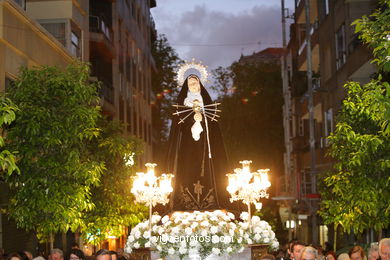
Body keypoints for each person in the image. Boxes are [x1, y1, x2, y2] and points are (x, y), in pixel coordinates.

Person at [165, 74, 231, 212]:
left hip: (205, 146)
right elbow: (178, 128)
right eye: (191, 84)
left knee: (207, 169)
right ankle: (184, 203)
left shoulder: (206, 102)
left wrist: (202, 118)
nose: (194, 85)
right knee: (188, 168)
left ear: (200, 84)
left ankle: (212, 202)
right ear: (187, 87)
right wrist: (192, 120)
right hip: (187, 146)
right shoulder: (183, 103)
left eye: (195, 83)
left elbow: (214, 129)